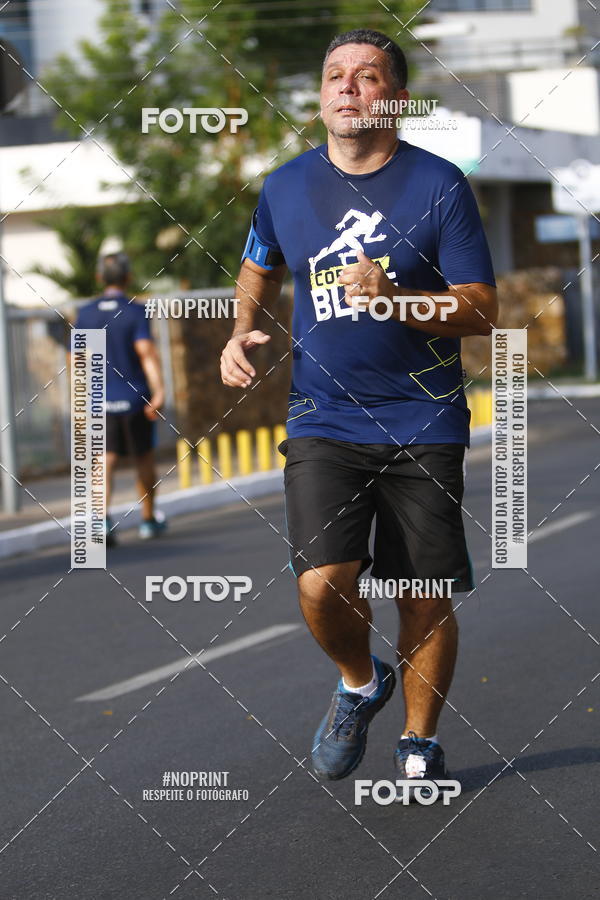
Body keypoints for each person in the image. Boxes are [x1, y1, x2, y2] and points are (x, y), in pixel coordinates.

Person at [220, 29, 497, 795]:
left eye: (367, 77)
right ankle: (356, 679)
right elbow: (259, 261)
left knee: (422, 590)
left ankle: (418, 744)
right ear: (322, 97)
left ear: (395, 98)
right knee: (319, 582)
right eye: (335, 76)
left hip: (424, 418)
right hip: (324, 417)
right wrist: (245, 326)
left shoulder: (440, 186)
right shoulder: (284, 186)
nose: (347, 87)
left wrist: (399, 299)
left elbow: (481, 310)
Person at [75, 252, 167, 544]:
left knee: (104, 460)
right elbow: (146, 352)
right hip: (134, 398)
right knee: (144, 457)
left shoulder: (86, 313)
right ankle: (148, 520)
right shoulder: (134, 311)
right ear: (128, 278)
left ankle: (102, 523)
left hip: (99, 400)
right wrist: (159, 390)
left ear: (100, 278)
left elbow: (77, 359)